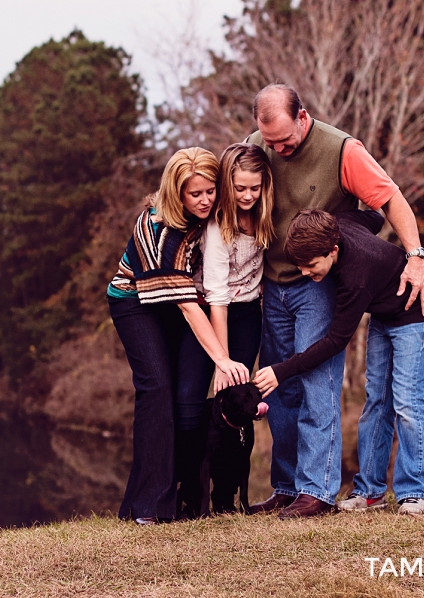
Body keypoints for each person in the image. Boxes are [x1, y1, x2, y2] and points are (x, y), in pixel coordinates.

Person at [246, 84, 424, 519]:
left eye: (284, 140)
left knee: (318, 382)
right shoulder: (257, 146)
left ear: (302, 117)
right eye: (269, 141)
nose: (277, 149)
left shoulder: (341, 150)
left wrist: (415, 257)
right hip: (271, 284)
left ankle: (318, 490)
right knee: (281, 390)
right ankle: (288, 486)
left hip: (318, 283)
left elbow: (387, 201)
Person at [254, 209, 424, 516]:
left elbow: (335, 342)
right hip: (386, 315)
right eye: (300, 266)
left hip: (417, 314)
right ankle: (369, 492)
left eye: (311, 266)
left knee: (407, 403)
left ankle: (417, 493)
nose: (305, 273)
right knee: (376, 401)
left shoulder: (355, 277)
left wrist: (280, 371)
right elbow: (374, 219)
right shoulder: (339, 224)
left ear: (333, 250)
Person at [107, 147, 249, 525]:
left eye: (210, 191)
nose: (205, 200)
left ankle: (140, 506)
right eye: (195, 194)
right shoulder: (162, 233)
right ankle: (150, 508)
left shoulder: (204, 216)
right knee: (156, 390)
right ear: (177, 194)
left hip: (170, 304)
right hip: (134, 304)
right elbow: (188, 307)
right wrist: (222, 358)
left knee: (173, 398)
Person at [201, 143, 276, 393]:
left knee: (239, 389)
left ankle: (241, 433)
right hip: (214, 310)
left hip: (249, 311)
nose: (247, 195)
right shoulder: (218, 226)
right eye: (239, 188)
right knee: (210, 386)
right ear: (227, 186)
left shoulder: (264, 215)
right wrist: (222, 361)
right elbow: (217, 298)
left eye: (255, 188)